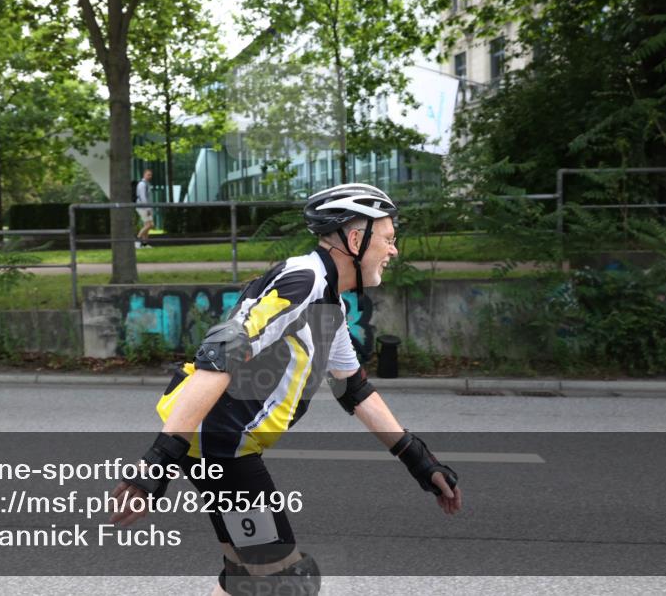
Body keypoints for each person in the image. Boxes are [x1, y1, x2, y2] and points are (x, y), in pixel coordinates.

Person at [111, 183, 461, 595]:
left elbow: (354, 390)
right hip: (223, 448)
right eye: (388, 239)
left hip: (217, 444)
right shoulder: (304, 281)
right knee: (285, 581)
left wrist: (419, 460)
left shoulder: (327, 300)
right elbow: (218, 354)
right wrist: (155, 465)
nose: (393, 250)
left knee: (245, 576)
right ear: (354, 239)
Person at [136, 168, 154, 249]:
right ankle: (137, 240)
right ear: (144, 175)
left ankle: (144, 244)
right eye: (148, 174)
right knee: (150, 225)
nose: (150, 176)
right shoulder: (142, 184)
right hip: (142, 207)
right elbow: (143, 197)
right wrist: (147, 209)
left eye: (150, 175)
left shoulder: (147, 184)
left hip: (145, 207)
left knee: (147, 225)